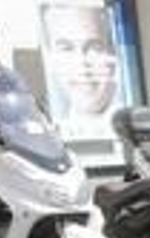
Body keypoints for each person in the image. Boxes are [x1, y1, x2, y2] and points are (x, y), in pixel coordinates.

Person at [41, 2, 123, 139]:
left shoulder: (128, 128)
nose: (81, 64)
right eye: (66, 48)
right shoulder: (54, 127)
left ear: (113, 51)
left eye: (94, 47)